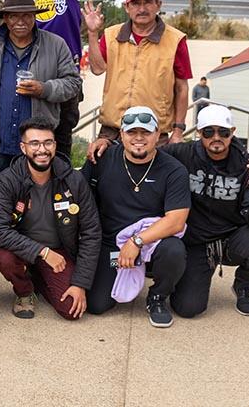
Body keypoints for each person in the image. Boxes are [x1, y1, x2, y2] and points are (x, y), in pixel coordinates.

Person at [160, 105, 249, 318]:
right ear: (199, 133)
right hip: (197, 242)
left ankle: (244, 284)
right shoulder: (183, 154)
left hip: (231, 238)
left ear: (232, 132)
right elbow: (146, 153)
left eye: (223, 132)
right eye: (209, 132)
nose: (216, 137)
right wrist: (107, 144)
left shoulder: (247, 163)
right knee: (188, 308)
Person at [10, 0, 116, 157]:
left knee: (60, 143)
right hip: (32, 74)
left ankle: (61, 190)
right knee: (32, 143)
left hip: (65, 75)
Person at [80, 106, 190, 327]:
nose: (138, 138)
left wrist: (136, 241)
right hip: (112, 245)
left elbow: (177, 221)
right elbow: (78, 195)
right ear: (121, 135)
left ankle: (157, 296)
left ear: (158, 135)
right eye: (131, 132)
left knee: (173, 251)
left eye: (146, 132)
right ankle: (121, 271)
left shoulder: (174, 170)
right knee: (96, 305)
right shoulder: (102, 158)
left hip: (151, 243)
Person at [0, 118, 100, 320]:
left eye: (48, 142)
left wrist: (80, 283)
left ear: (55, 145)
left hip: (59, 250)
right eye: (34, 144)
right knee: (3, 256)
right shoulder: (8, 179)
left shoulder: (73, 180)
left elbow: (92, 231)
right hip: (23, 250)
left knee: (71, 309)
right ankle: (25, 291)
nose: (42, 149)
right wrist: (42, 252)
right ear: (23, 148)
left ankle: (38, 277)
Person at [84, 0, 192, 159]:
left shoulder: (175, 40)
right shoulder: (111, 34)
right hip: (112, 130)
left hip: (154, 132)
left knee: (153, 184)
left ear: (158, 5)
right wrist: (93, 34)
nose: (142, 9)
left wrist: (178, 131)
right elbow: (97, 69)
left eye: (147, 2)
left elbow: (182, 87)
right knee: (105, 182)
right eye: (135, 3)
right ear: (127, 7)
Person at [0, 0, 82, 170]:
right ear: (5, 18)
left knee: (40, 193)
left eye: (26, 15)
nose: (20, 21)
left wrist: (45, 89)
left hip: (40, 144)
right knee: (2, 194)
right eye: (14, 16)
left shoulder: (56, 44)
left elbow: (73, 83)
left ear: (34, 17)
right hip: (0, 141)